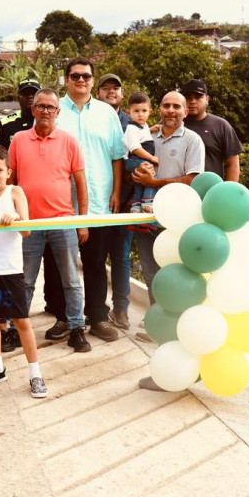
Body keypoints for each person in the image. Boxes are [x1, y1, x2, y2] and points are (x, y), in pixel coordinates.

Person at [9, 88, 91, 353]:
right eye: (40, 106)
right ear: (33, 110)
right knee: (24, 280)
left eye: (50, 107)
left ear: (58, 112)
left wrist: (82, 222)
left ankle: (77, 328)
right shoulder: (19, 140)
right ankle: (16, 329)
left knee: (71, 279)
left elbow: (81, 184)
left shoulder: (69, 141)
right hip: (27, 225)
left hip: (63, 221)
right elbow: (11, 183)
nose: (45, 111)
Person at [56, 58, 125, 344]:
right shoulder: (56, 109)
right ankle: (64, 317)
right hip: (61, 201)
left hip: (99, 201)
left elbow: (117, 155)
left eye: (86, 76)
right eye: (75, 76)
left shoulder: (107, 113)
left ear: (92, 81)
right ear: (66, 79)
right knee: (61, 262)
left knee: (96, 262)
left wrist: (117, 192)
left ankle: (97, 317)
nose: (81, 80)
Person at [0, 145, 46, 398]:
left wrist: (14, 218)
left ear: (8, 172)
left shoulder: (15, 192)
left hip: (9, 272)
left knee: (21, 321)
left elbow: (26, 231)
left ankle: (35, 374)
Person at [131, 91, 205, 300]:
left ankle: (177, 324)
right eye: (166, 106)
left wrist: (154, 183)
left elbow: (193, 179)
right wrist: (136, 175)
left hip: (178, 220)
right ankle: (158, 324)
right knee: (150, 272)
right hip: (147, 217)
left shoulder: (193, 140)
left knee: (177, 273)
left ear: (186, 111)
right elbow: (130, 167)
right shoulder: (146, 136)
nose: (171, 111)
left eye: (176, 106)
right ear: (159, 109)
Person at [96, 74, 135, 330]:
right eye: (106, 88)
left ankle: (121, 310)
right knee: (96, 259)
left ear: (122, 94)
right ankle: (98, 311)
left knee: (121, 258)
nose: (111, 92)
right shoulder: (93, 120)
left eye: (116, 89)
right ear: (98, 93)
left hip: (127, 202)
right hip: (97, 202)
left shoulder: (135, 124)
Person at [180, 79, 242, 181]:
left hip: (211, 191)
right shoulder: (173, 123)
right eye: (188, 98)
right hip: (178, 191)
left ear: (207, 99)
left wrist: (228, 191)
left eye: (198, 97)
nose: (192, 101)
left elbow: (233, 164)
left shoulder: (221, 125)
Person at [123, 91, 158, 212]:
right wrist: (152, 158)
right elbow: (136, 148)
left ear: (150, 112)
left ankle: (136, 204)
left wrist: (152, 129)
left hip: (139, 159)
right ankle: (148, 201)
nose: (140, 114)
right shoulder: (131, 128)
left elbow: (143, 135)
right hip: (134, 159)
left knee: (140, 180)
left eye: (144, 111)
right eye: (136, 111)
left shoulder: (144, 126)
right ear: (128, 113)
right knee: (151, 174)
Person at [0, 79, 39, 149]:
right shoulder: (4, 124)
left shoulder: (51, 122)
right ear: (18, 98)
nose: (30, 96)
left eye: (34, 93)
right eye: (26, 93)